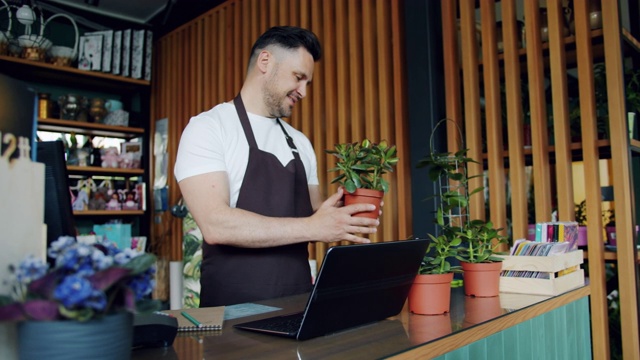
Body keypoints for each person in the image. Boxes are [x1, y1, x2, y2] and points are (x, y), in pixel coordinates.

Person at [174, 26, 379, 307]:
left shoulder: (300, 143)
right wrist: (313, 227)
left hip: (298, 304)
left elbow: (315, 216)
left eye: (308, 82)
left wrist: (346, 212)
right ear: (265, 62)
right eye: (298, 77)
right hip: (232, 315)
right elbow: (215, 225)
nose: (303, 92)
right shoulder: (209, 128)